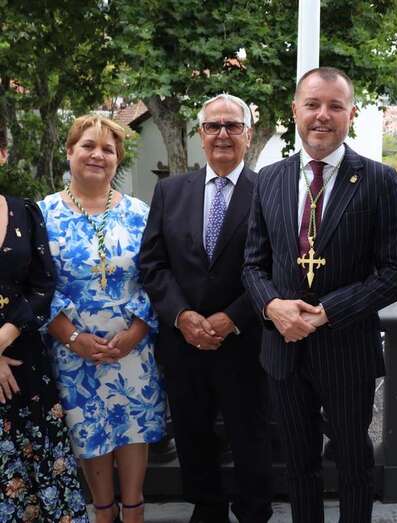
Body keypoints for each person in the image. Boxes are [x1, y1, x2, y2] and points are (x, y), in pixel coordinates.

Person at [242, 66, 397, 523]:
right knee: (298, 465)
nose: (323, 115)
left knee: (354, 464)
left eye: (335, 106)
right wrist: (272, 306)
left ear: (350, 115)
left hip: (347, 351)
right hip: (283, 350)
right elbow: (253, 264)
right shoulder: (269, 178)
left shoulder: (377, 179)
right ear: (295, 110)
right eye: (312, 104)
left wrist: (326, 312)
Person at [139, 94, 273, 523]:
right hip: (184, 343)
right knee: (192, 434)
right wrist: (182, 316)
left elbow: (278, 268)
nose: (222, 134)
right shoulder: (169, 191)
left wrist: (233, 317)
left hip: (246, 342)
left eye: (232, 126)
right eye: (213, 126)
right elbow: (153, 264)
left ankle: (254, 511)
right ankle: (208, 508)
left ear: (248, 134)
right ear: (200, 134)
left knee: (251, 437)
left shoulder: (270, 192)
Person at [39, 115, 166, 523]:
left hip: (132, 349)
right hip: (74, 352)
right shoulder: (42, 215)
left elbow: (158, 276)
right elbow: (36, 284)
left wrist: (137, 331)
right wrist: (72, 336)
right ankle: (104, 514)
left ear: (118, 159)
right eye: (88, 146)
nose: (97, 155)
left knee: (133, 430)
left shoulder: (141, 213)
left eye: (107, 149)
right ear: (69, 152)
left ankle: (134, 512)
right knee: (89, 431)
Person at [0, 129, 89, 522]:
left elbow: (42, 284)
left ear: (3, 154)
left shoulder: (24, 211)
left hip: (28, 365)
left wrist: (7, 334)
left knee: (48, 479)